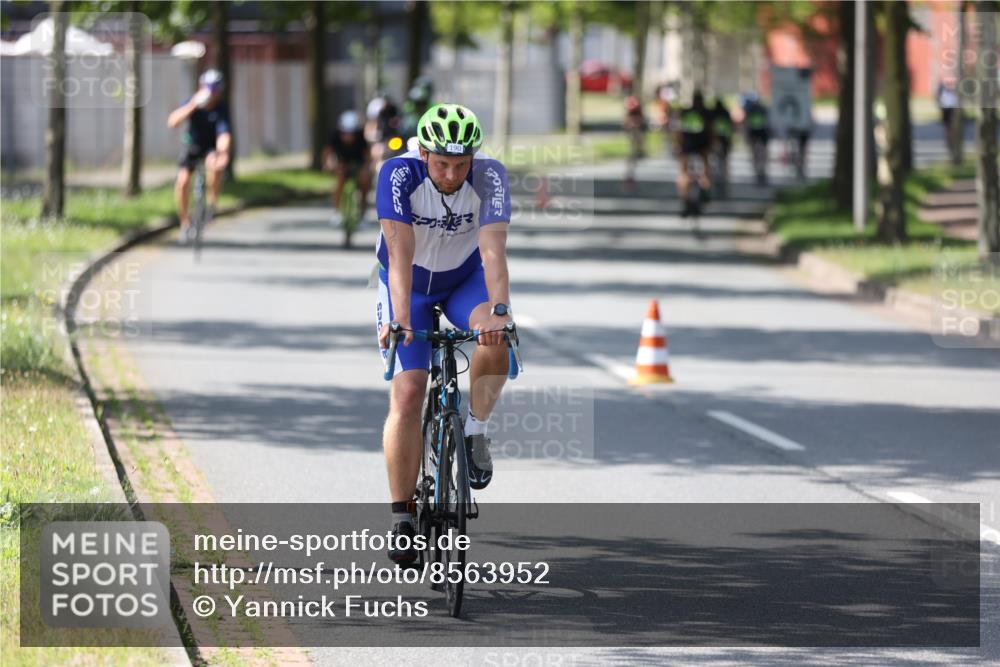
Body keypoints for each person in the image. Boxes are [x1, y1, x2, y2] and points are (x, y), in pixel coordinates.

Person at [374, 103, 512, 566]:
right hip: (407, 283)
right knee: (410, 392)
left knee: (495, 340)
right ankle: (402, 516)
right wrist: (400, 319)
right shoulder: (398, 173)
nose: (452, 174)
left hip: (462, 280)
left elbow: (492, 248)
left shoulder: (490, 176)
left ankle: (475, 432)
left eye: (460, 164)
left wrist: (499, 312)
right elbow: (399, 251)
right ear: (424, 152)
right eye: (441, 164)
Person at [167, 69, 232, 244]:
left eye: (215, 91)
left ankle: (211, 206)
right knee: (182, 182)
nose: (211, 95)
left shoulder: (221, 109)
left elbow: (224, 135)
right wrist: (193, 105)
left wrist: (223, 154)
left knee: (215, 167)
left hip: (211, 147)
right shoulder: (193, 101)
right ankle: (185, 222)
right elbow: (172, 122)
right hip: (192, 145)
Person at [324, 110, 372, 226]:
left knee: (365, 182)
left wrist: (366, 168)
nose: (348, 136)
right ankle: (337, 212)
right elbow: (327, 153)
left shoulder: (361, 137)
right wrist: (328, 164)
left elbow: (367, 156)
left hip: (358, 164)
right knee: (339, 181)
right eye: (345, 132)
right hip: (342, 164)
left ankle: (363, 214)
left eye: (351, 133)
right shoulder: (335, 136)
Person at [674, 89, 713, 217]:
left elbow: (678, 131)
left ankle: (685, 200)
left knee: (683, 172)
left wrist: (677, 145)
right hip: (702, 146)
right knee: (705, 168)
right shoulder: (707, 112)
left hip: (687, 146)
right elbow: (712, 130)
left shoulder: (684, 112)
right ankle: (705, 189)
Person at [741, 92, 771, 186]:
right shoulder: (752, 110)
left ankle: (761, 170)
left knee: (760, 153)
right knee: (758, 153)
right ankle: (759, 170)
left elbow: (768, 122)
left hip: (760, 134)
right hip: (757, 134)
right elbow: (746, 124)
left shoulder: (760, 109)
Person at [365, 91, 401, 164]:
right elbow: (372, 128)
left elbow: (399, 121)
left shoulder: (394, 110)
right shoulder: (379, 114)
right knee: (377, 152)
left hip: (393, 137)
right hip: (381, 139)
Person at [710, 96, 734, 194]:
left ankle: (719, 179)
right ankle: (724, 179)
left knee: (716, 161)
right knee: (723, 161)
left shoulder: (713, 114)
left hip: (717, 141)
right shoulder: (726, 113)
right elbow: (730, 128)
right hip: (724, 140)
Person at [623, 95, 646, 191]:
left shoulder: (636, 116)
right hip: (633, 137)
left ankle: (630, 174)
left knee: (633, 157)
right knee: (631, 156)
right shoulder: (631, 117)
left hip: (635, 137)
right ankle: (629, 175)